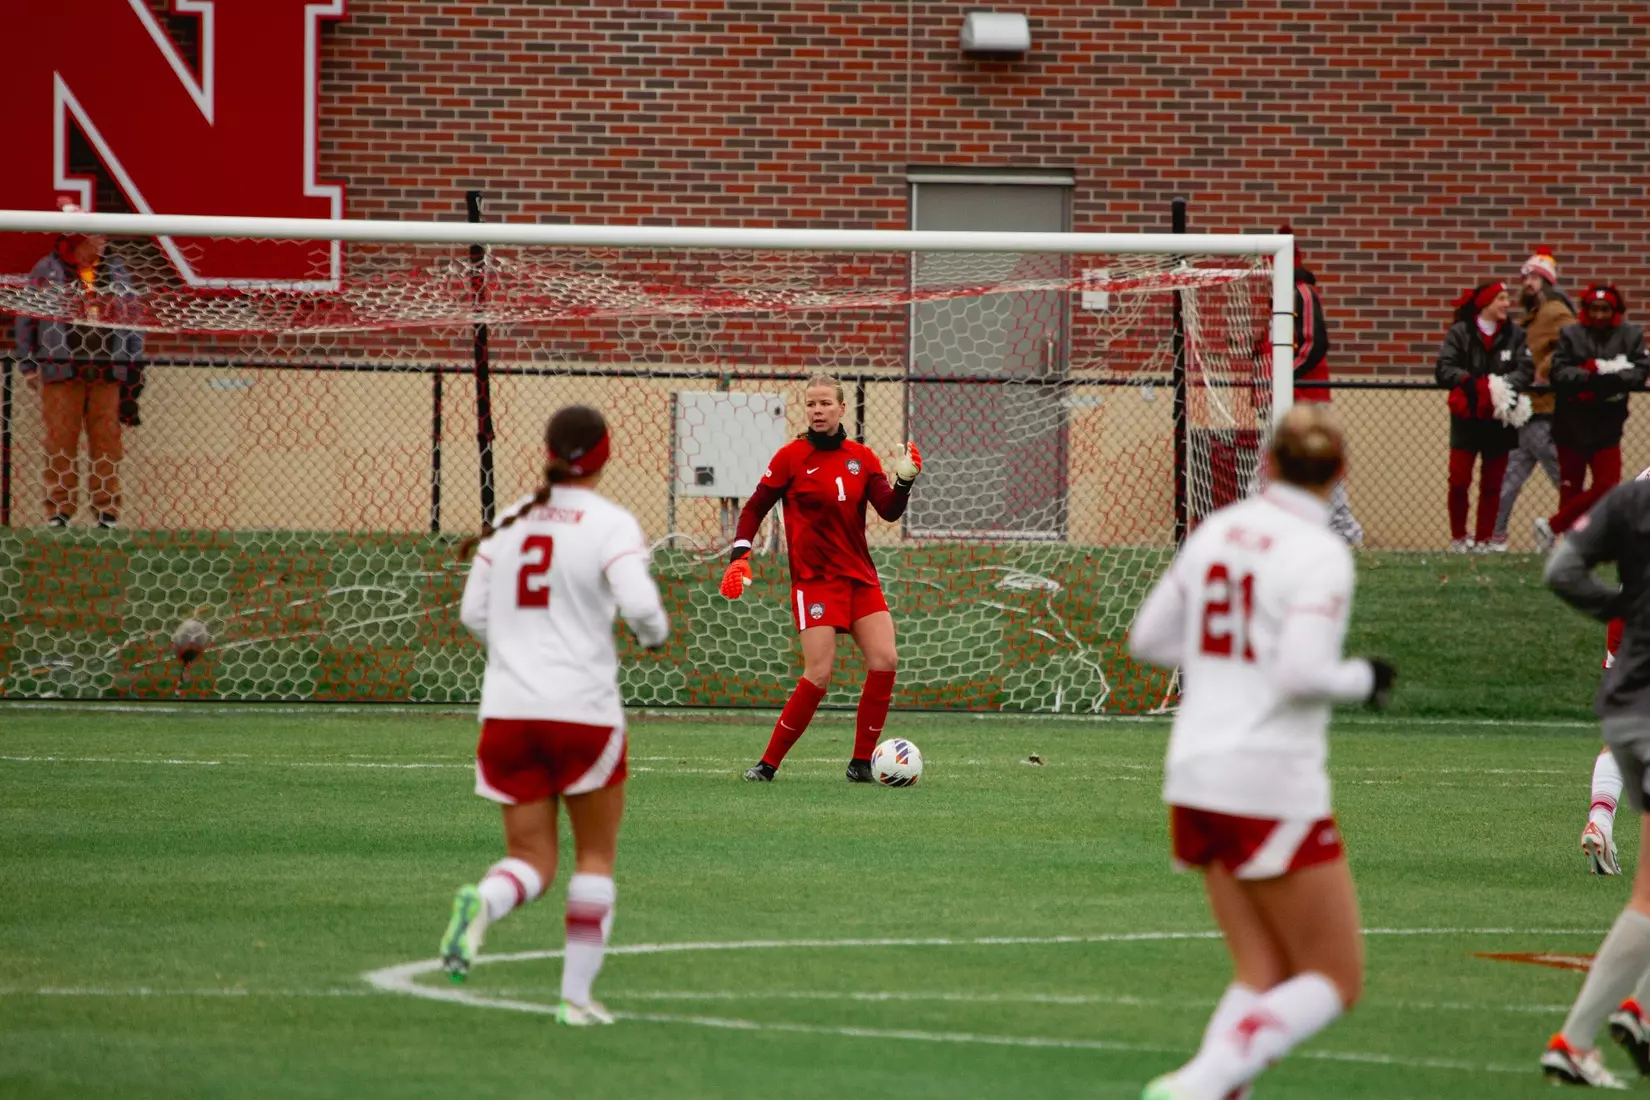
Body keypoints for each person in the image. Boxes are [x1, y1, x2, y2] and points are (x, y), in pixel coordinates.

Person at [1127, 405, 1396, 1100]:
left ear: (1268, 463)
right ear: (1339, 473)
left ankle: (1214, 1088)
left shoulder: (1219, 530)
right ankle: (1202, 1082)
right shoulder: (1320, 553)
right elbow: (1302, 673)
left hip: (1193, 772)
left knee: (1261, 972)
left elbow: (1148, 641)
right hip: (1268, 779)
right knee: (1335, 978)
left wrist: (1229, 661)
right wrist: (1365, 679)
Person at [439, 405, 670, 1027]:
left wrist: (519, 653)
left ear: (547, 449)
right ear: (605, 454)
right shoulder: (610, 522)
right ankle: (575, 999)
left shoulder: (511, 518)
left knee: (531, 860)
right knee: (593, 858)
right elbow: (643, 607)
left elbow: (471, 614)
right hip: (583, 715)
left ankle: (483, 902)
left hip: (509, 714)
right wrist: (654, 636)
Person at [721, 374, 921, 783]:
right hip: (815, 581)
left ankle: (861, 763)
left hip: (860, 578)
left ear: (842, 408)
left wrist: (903, 482)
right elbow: (754, 508)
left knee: (886, 661)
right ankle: (768, 764)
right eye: (811, 404)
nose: (817, 410)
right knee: (819, 674)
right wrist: (740, 554)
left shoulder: (862, 458)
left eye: (825, 403)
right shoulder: (790, 457)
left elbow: (888, 510)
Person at [1542, 473, 1650, 1086]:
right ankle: (1593, 1031)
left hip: (1628, 683)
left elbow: (1562, 569)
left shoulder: (1636, 489)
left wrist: (1618, 604)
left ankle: (1632, 1017)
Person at [13, 206, 143, 528]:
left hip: (106, 371)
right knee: (60, 440)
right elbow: (27, 319)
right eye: (96, 236)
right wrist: (29, 364)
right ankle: (59, 510)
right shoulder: (47, 269)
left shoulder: (115, 270)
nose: (102, 242)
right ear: (78, 238)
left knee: (107, 442)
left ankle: (107, 511)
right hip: (61, 369)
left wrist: (134, 363)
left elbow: (133, 317)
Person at [1535, 285, 1649, 553]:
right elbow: (1560, 371)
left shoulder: (1630, 335)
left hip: (1608, 422)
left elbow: (1640, 370)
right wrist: (1590, 377)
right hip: (1571, 421)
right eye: (1594, 309)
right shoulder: (1571, 334)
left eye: (1605, 309)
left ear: (1615, 311)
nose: (1599, 315)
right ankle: (1570, 544)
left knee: (1607, 484)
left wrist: (1614, 379)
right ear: (1585, 310)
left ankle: (1552, 526)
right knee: (1570, 486)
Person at [1434, 282, 1535, 552]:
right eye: (1501, 299)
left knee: (1492, 483)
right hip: (1466, 417)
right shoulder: (1460, 332)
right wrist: (1472, 383)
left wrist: (1500, 387)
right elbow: (1444, 368)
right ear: (1485, 303)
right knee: (1459, 480)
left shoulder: (1515, 334)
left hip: (1499, 419)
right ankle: (1458, 538)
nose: (1506, 304)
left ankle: (1483, 540)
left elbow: (1526, 370)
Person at [1488, 248, 1574, 551]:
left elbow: (1574, 339)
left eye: (1535, 277)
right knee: (1509, 478)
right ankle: (1495, 536)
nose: (1528, 282)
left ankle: (1583, 534)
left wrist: (1545, 369)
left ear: (1547, 281)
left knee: (1563, 477)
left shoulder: (1554, 310)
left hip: (1546, 410)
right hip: (1526, 412)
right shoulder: (1531, 318)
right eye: (1526, 277)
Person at [1283, 224, 1362, 546]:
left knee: (1318, 458)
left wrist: (1285, 375)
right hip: (1284, 396)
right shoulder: (1274, 297)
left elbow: (1314, 344)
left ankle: (1345, 528)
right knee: (1270, 460)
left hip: (1308, 395)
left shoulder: (1302, 293)